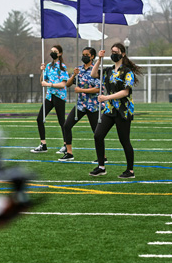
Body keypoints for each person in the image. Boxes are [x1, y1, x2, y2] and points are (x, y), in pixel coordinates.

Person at [89, 41, 139, 179]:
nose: (113, 55)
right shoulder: (109, 70)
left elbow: (125, 92)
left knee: (124, 140)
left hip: (123, 110)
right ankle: (101, 167)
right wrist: (99, 59)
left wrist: (106, 97)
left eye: (116, 52)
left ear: (123, 54)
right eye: (112, 52)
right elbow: (93, 74)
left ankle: (130, 170)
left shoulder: (127, 72)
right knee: (98, 135)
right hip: (110, 110)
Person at [59, 46, 101, 162]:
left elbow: (98, 89)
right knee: (67, 125)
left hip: (93, 106)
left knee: (97, 133)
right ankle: (69, 153)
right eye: (83, 54)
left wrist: (81, 90)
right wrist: (73, 75)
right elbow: (67, 84)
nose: (84, 57)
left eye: (87, 55)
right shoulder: (79, 69)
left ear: (92, 56)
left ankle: (102, 157)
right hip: (80, 105)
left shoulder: (96, 70)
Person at [29, 44, 68, 153]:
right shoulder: (49, 66)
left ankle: (65, 145)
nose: (52, 53)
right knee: (39, 119)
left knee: (62, 122)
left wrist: (50, 85)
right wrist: (42, 71)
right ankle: (43, 144)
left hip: (59, 96)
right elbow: (42, 81)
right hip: (49, 96)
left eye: (55, 51)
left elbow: (63, 84)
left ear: (60, 53)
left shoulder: (62, 67)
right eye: (52, 51)